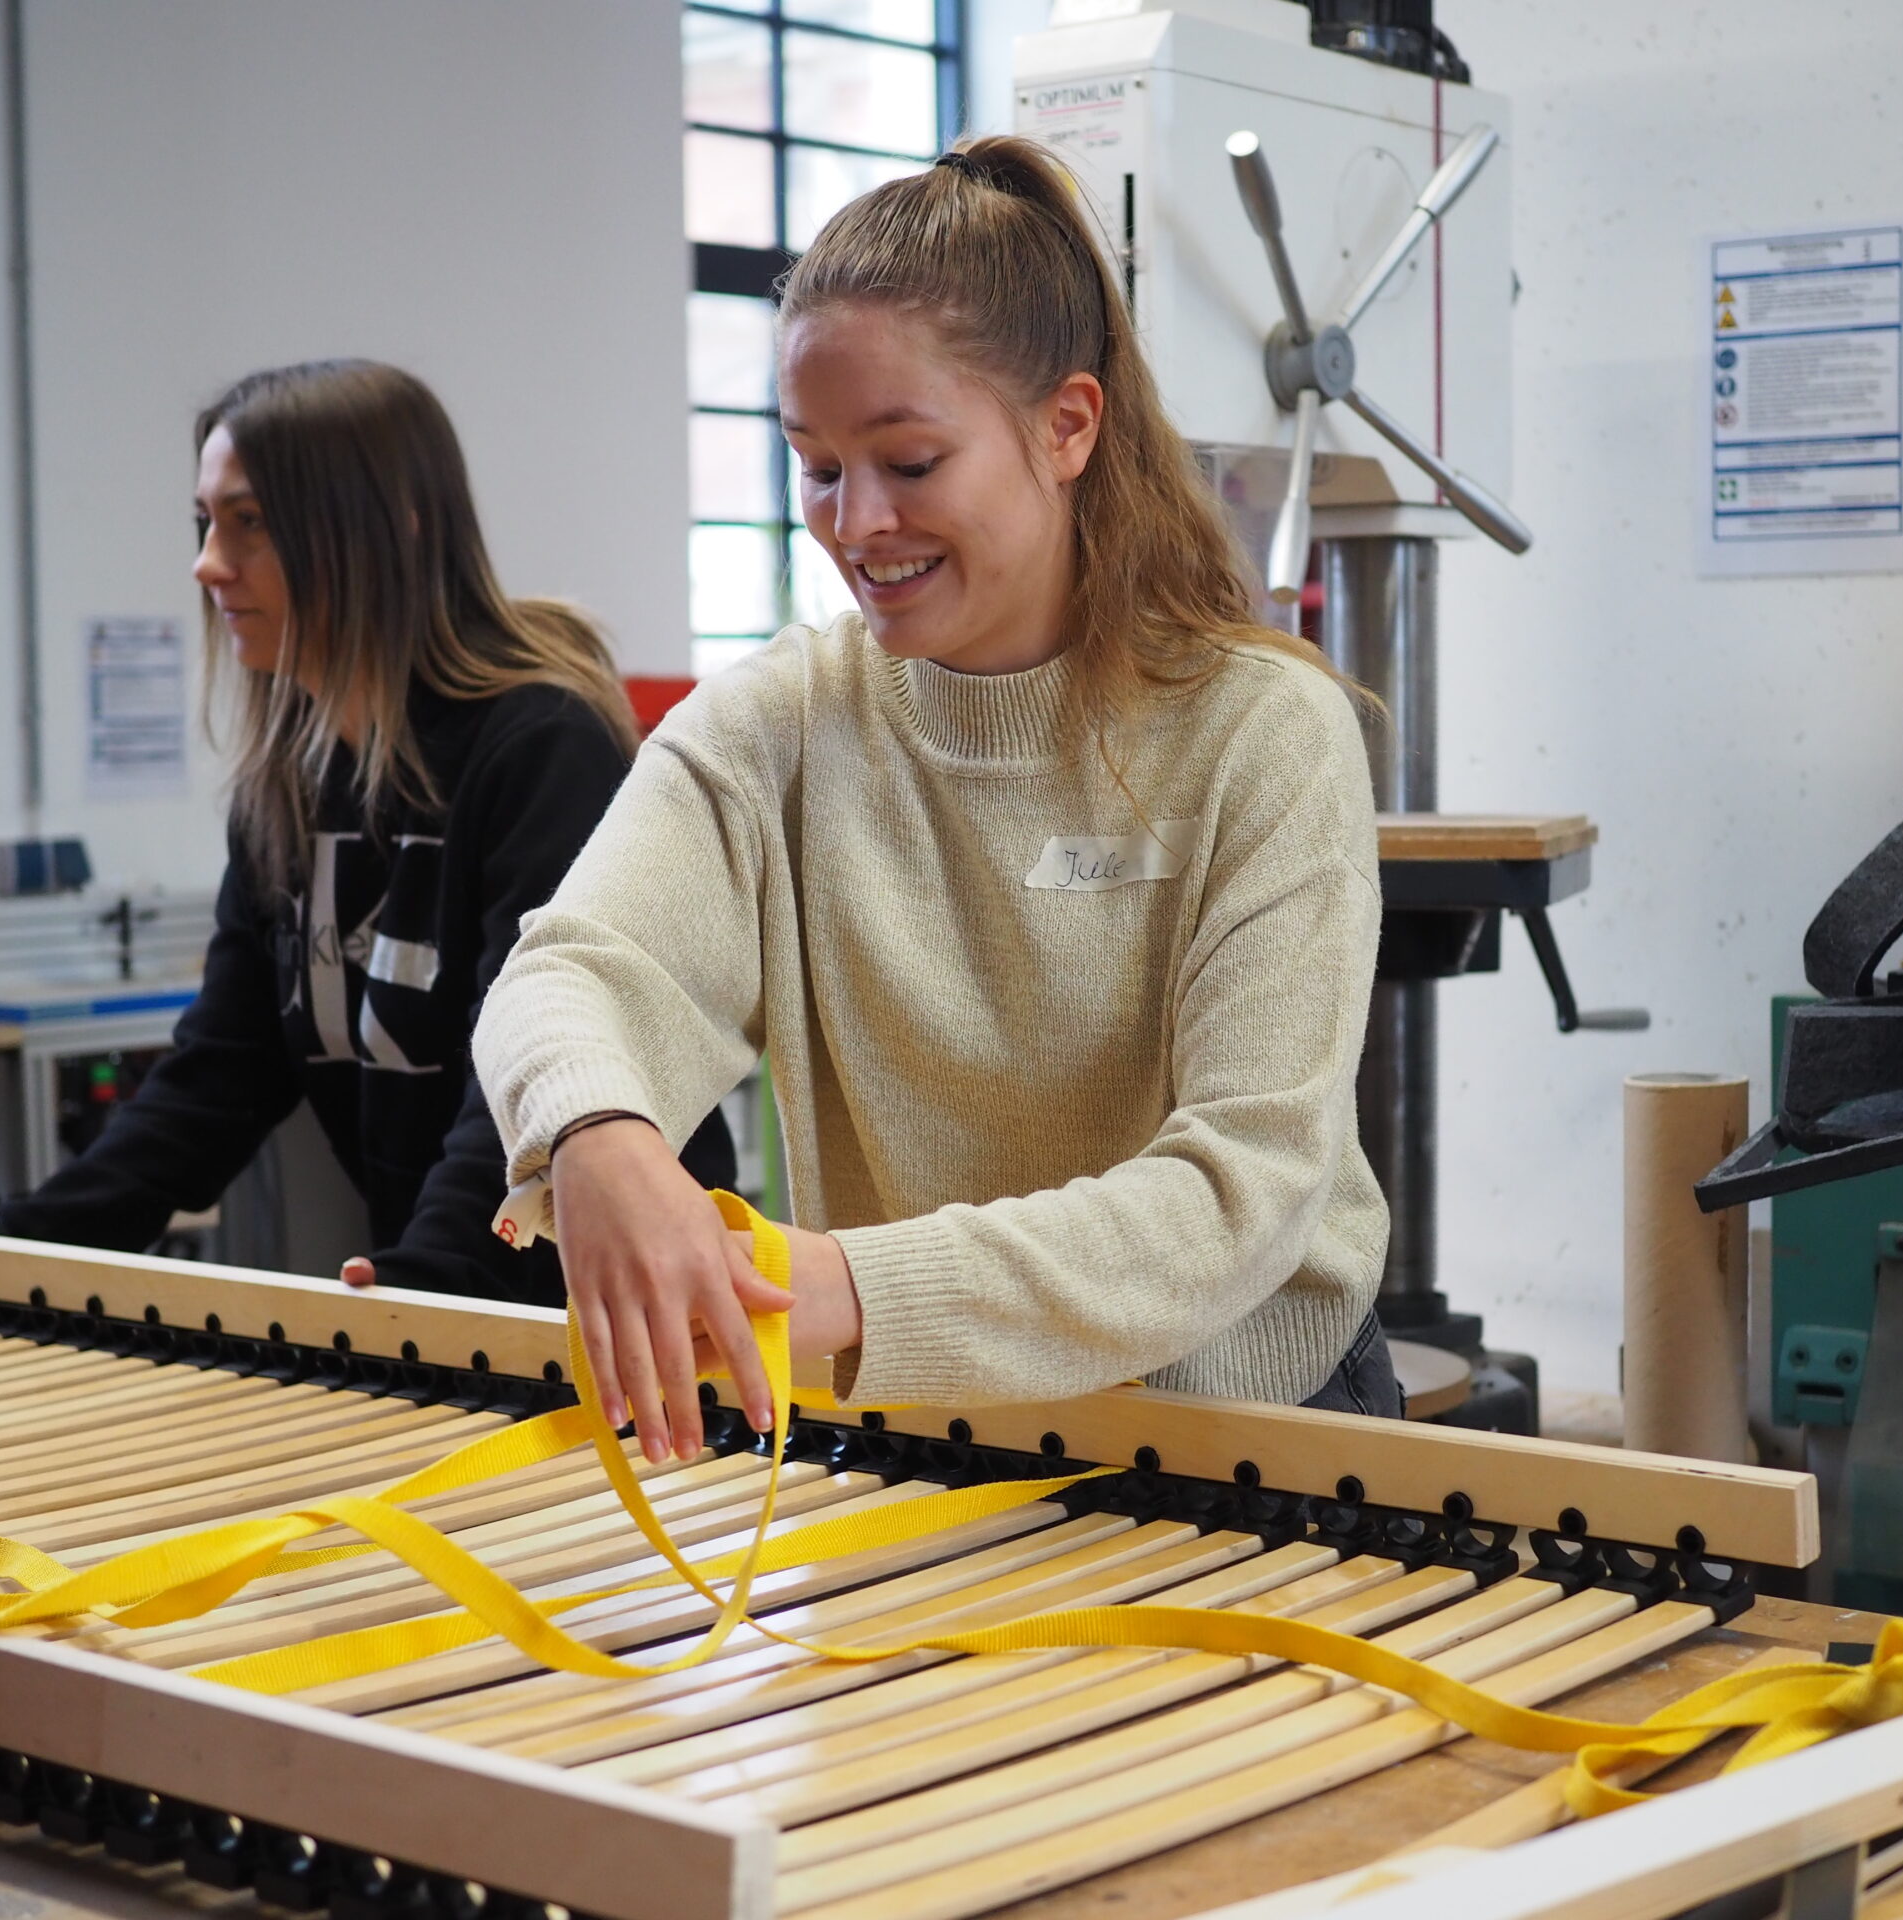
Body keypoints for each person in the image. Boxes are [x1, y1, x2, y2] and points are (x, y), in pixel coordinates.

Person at [473, 136, 1394, 1464]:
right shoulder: (785, 720)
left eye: (909, 463)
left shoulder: (1264, 731)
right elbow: (576, 968)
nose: (855, 523)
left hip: (1247, 1434)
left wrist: (832, 1284)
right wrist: (598, 1137)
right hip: (937, 1424)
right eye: (816, 466)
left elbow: (1234, 1196)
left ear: (1068, 426)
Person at [0, 359, 733, 1298]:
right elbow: (220, 1075)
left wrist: (418, 1291)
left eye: (251, 523)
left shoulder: (539, 747)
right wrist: (2, 1248)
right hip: (445, 1303)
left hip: (618, 1315)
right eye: (205, 523)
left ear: (389, 531)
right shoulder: (292, 779)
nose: (206, 563)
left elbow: (526, 1076)